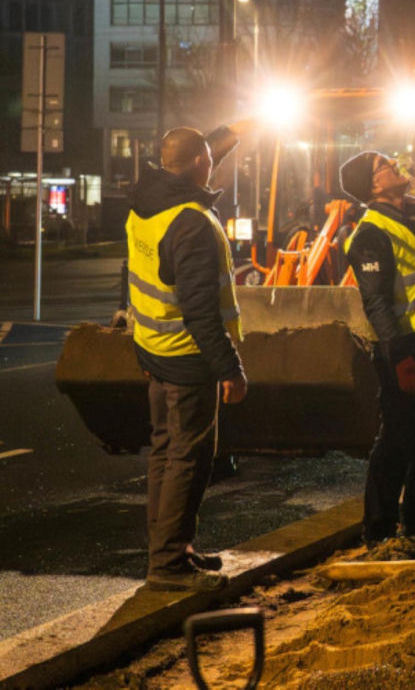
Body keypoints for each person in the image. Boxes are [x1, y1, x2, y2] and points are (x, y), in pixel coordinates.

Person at [127, 124, 249, 592]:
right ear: (202, 162)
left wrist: (139, 345)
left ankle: (173, 551)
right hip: (187, 356)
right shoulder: (192, 222)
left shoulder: (146, 205)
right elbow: (201, 310)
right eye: (210, 157)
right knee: (188, 459)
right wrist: (230, 367)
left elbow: (139, 279)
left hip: (156, 350)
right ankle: (169, 565)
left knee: (165, 454)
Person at [341, 150, 415, 546]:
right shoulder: (371, 234)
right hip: (407, 352)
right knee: (396, 440)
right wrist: (401, 357)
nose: (394, 165)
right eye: (384, 165)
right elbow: (376, 304)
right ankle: (378, 530)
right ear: (374, 185)